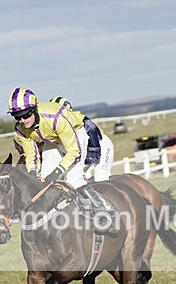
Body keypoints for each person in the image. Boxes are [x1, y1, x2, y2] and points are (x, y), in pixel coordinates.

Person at [7, 87, 116, 230]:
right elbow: (31, 155)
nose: (22, 120)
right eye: (17, 117)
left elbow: (73, 151)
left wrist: (58, 171)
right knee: (44, 178)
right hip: (53, 141)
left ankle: (106, 211)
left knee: (73, 177)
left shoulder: (55, 118)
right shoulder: (20, 129)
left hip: (76, 134)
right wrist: (33, 172)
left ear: (34, 110)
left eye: (25, 115)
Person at [49, 96, 113, 181]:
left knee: (100, 178)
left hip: (101, 148)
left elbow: (95, 153)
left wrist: (77, 167)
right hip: (81, 153)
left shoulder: (83, 122)